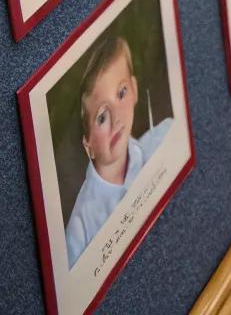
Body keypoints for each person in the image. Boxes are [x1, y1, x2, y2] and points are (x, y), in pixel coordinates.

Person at [64, 33, 172, 267]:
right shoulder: (80, 228)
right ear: (88, 145)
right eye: (101, 117)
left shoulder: (162, 140)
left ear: (134, 90)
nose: (115, 118)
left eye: (121, 93)